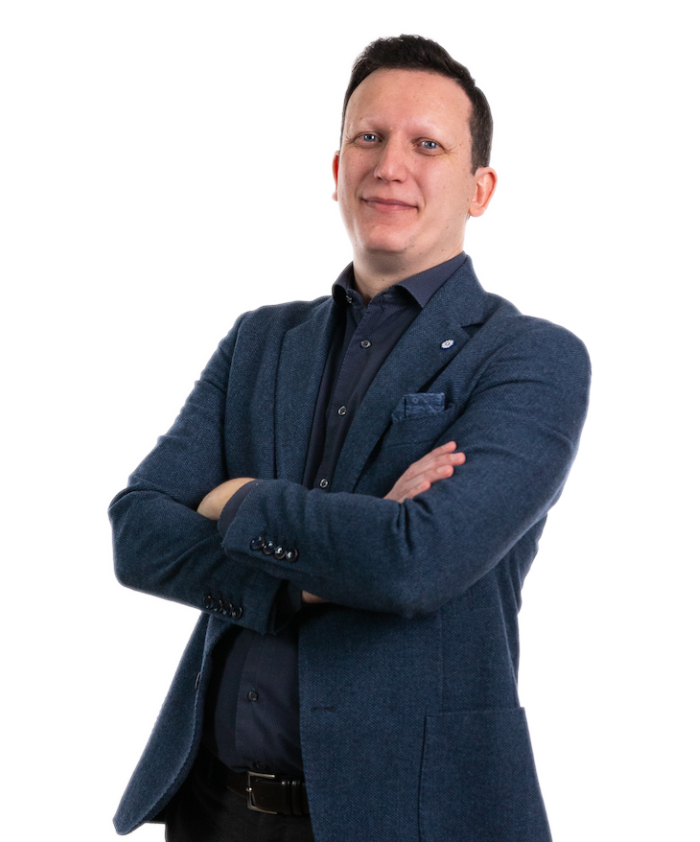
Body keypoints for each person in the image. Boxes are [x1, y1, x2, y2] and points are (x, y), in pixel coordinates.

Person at [109, 33, 591, 842]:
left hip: (413, 819)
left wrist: (238, 499)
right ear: (337, 169)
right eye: (368, 137)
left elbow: (415, 561)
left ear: (480, 189)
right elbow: (137, 534)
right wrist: (298, 584)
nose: (389, 165)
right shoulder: (258, 342)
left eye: (427, 145)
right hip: (213, 811)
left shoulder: (532, 358)